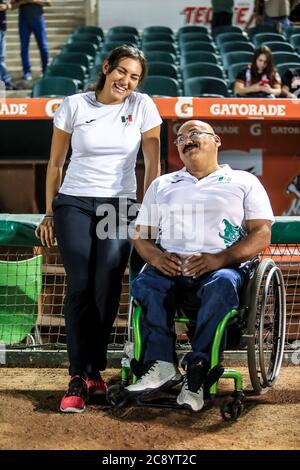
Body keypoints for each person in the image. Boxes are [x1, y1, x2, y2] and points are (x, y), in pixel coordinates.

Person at [35, 45, 162, 413]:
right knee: (81, 286)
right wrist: (48, 212)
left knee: (107, 286)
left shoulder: (142, 106)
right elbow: (56, 164)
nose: (126, 81)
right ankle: (78, 377)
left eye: (135, 76)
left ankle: (95, 372)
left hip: (119, 206)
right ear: (107, 68)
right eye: (122, 71)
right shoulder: (74, 105)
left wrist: (147, 213)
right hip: (73, 202)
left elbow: (152, 166)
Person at [125, 119, 274, 412]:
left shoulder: (244, 181)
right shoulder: (162, 184)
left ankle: (198, 372)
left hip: (220, 269)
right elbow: (141, 235)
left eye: (194, 133)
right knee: (146, 283)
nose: (186, 140)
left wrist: (219, 259)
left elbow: (262, 233)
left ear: (217, 140)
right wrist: (155, 258)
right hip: (170, 270)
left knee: (222, 283)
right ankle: (161, 364)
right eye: (180, 138)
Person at [11, 0, 51, 80]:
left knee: (43, 46)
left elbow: (49, 3)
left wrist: (34, 1)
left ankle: (46, 71)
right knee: (24, 47)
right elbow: (12, 6)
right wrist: (23, 2)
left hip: (38, 18)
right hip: (23, 20)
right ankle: (26, 72)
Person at [0, 0, 16, 89]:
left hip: (2, 26)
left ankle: (5, 81)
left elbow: (10, 5)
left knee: (2, 57)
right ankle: (7, 81)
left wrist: (6, 6)